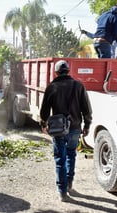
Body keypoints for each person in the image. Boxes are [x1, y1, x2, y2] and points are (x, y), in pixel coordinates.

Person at [39, 60, 92, 202]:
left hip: (58, 129)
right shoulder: (78, 85)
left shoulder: (52, 87)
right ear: (68, 71)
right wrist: (87, 125)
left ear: (56, 72)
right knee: (71, 155)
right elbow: (86, 108)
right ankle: (69, 184)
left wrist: (43, 124)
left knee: (60, 159)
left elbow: (44, 110)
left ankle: (62, 191)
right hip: (74, 128)